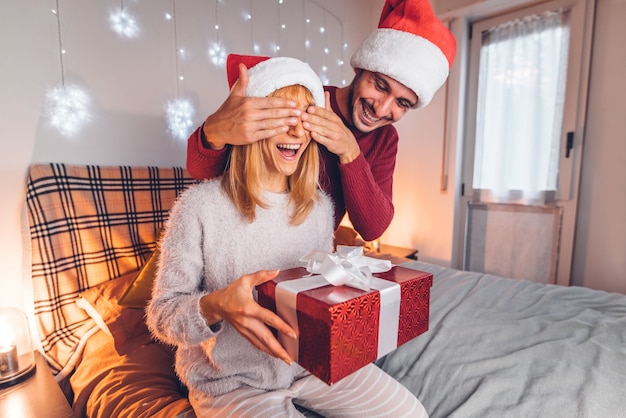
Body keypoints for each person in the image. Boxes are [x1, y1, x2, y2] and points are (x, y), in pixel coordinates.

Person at [147, 55, 428, 417]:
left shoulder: (319, 208)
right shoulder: (199, 207)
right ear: (250, 123)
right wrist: (217, 305)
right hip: (233, 382)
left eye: (304, 119)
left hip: (309, 367)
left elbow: (327, 281)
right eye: (284, 117)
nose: (296, 131)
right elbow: (162, 316)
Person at [186, 0, 456, 242]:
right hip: (249, 240)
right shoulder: (305, 96)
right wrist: (214, 131)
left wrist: (349, 151)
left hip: (307, 255)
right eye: (380, 86)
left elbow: (373, 229)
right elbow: (204, 173)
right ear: (361, 68)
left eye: (402, 103)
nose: (382, 108)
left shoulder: (385, 139)